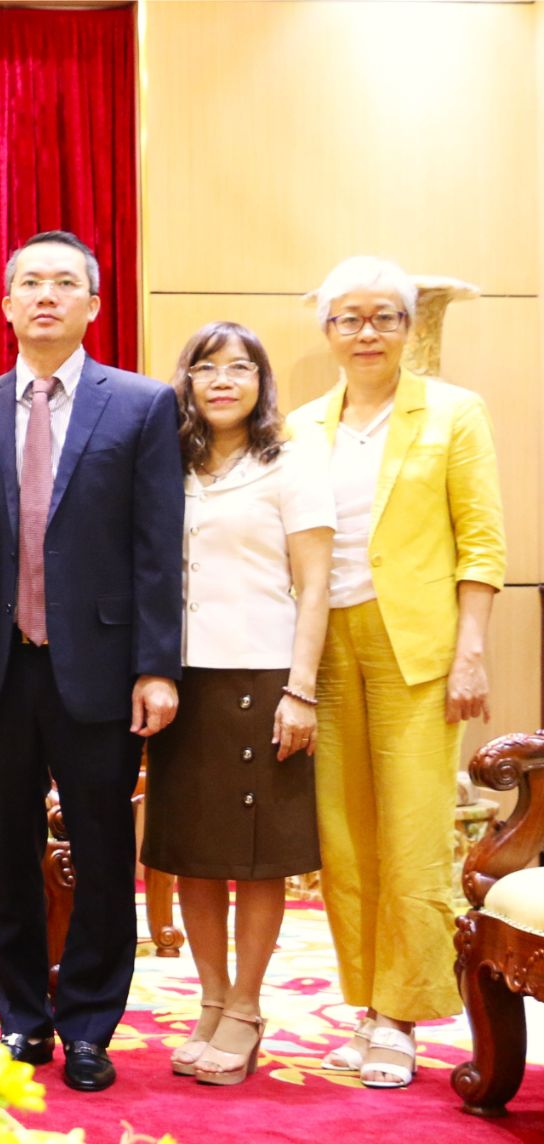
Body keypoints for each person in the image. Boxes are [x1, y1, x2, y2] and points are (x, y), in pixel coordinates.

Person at [0, 230, 183, 1092]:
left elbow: (158, 546)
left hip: (100, 668)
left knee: (99, 854)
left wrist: (156, 664)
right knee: (6, 853)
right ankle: (22, 1022)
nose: (45, 296)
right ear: (7, 305)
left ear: (95, 304)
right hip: (0, 667)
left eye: (65, 283)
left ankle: (90, 1023)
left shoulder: (140, 405)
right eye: (29, 283)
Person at [287, 256, 504, 1090]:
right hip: (324, 642)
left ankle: (404, 1014)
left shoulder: (454, 413)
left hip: (418, 646)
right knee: (344, 837)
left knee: (412, 836)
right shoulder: (305, 424)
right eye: (348, 317)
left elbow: (481, 540)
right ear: (328, 332)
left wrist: (472, 649)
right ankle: (365, 1003)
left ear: (409, 328)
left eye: (384, 316)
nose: (366, 331)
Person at [140, 322, 332, 1085]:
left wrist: (301, 690)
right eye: (206, 368)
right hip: (181, 679)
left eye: (239, 369)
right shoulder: (169, 466)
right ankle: (210, 1002)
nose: (222, 382)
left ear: (261, 382)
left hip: (263, 677)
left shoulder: (291, 463)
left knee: (256, 861)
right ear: (185, 381)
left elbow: (314, 584)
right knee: (192, 854)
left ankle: (248, 1008)